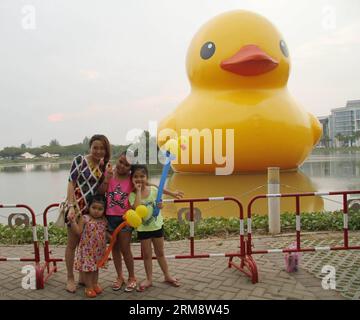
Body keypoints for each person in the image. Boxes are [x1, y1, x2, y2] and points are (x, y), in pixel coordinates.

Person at [98, 152, 183, 292]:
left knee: (126, 250)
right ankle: (120, 277)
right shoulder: (110, 175)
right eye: (120, 162)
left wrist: (172, 194)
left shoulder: (133, 180)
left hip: (127, 218)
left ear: (130, 168)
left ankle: (133, 277)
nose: (122, 166)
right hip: (111, 218)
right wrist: (106, 178)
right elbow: (101, 191)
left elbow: (153, 186)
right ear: (117, 160)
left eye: (126, 164)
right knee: (115, 249)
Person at [65, 134, 111, 293]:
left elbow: (100, 192)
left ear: (106, 150)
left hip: (92, 211)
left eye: (102, 148)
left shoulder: (104, 166)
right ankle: (70, 277)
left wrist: (107, 179)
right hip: (76, 207)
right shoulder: (79, 161)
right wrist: (70, 206)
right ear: (90, 147)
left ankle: (83, 278)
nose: (98, 151)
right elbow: (71, 182)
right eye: (95, 147)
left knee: (87, 245)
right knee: (72, 243)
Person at [129, 164, 181, 292]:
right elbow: (136, 207)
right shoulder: (132, 194)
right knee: (147, 255)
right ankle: (149, 279)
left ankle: (167, 275)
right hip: (143, 229)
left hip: (157, 226)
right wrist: (139, 191)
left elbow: (160, 204)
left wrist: (161, 205)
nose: (139, 179)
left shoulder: (153, 190)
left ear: (147, 177)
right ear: (131, 178)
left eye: (142, 176)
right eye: (136, 176)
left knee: (160, 253)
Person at [69, 195, 108, 298]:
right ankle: (88, 287)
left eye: (100, 209)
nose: (96, 211)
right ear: (89, 207)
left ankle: (95, 284)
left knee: (96, 268)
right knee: (88, 269)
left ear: (104, 210)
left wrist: (112, 237)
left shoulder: (104, 220)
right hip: (87, 250)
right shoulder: (85, 218)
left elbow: (105, 232)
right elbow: (78, 232)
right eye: (94, 207)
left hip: (99, 251)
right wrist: (73, 222)